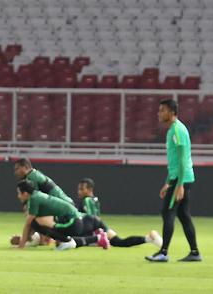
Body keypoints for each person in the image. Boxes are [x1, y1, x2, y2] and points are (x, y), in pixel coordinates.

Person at [147, 98, 202, 263]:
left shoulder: (177, 130)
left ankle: (163, 252)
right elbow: (175, 162)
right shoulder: (173, 130)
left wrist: (179, 185)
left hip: (182, 179)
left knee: (167, 212)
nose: (159, 113)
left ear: (172, 112)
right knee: (183, 215)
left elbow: (183, 159)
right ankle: (195, 252)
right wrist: (168, 182)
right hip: (179, 178)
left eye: (162, 110)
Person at [15, 180, 108, 250]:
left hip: (72, 222)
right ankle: (98, 238)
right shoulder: (37, 196)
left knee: (35, 223)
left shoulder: (34, 199)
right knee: (39, 224)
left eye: (19, 193)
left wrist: (21, 245)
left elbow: (29, 223)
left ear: (25, 193)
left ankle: (68, 241)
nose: (18, 196)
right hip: (75, 221)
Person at [76, 178, 162, 249]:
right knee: (119, 242)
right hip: (101, 226)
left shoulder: (86, 200)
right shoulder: (95, 199)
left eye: (82, 189)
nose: (79, 191)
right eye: (79, 189)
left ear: (90, 189)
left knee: (75, 239)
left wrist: (97, 234)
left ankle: (97, 240)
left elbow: (92, 217)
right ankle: (148, 238)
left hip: (95, 229)